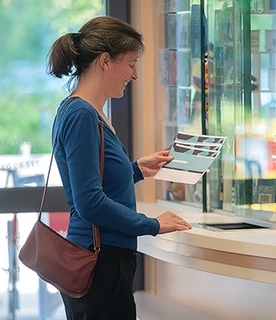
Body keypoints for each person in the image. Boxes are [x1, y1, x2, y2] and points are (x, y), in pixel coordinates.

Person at [47, 16, 192, 319]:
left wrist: (136, 169)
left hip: (104, 258)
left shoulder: (85, 112)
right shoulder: (82, 115)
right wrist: (152, 224)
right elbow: (89, 202)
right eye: (130, 64)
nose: (135, 75)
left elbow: (95, 182)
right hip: (100, 262)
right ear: (105, 62)